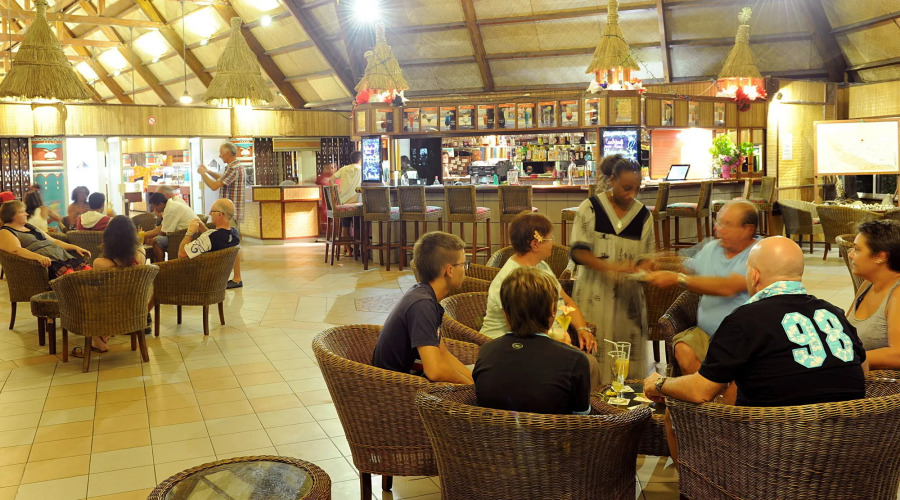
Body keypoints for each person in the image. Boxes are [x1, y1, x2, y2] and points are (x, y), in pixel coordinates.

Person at [644, 237, 867, 460]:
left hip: (769, 455)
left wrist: (660, 383)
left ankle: (698, 479)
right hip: (848, 452)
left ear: (754, 275)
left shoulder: (744, 320)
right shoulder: (835, 313)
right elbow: (863, 371)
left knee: (673, 413)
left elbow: (700, 391)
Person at [480, 213, 602, 388]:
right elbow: (524, 330)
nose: (553, 242)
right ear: (535, 244)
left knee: (586, 361)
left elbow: (566, 302)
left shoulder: (541, 266)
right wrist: (560, 344)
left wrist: (582, 329)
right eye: (550, 239)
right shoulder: (514, 279)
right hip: (512, 348)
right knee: (586, 363)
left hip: (542, 341)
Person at [645, 200, 761, 375]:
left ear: (748, 229)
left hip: (743, 337)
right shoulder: (712, 248)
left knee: (738, 369)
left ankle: (714, 388)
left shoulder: (758, 254)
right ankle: (709, 389)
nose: (717, 229)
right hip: (706, 333)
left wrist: (679, 279)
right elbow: (687, 267)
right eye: (718, 222)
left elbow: (728, 287)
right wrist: (659, 263)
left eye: (726, 224)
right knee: (683, 350)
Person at [570, 154, 654, 381]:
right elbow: (578, 252)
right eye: (626, 188)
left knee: (628, 360)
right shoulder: (590, 208)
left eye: (637, 189)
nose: (632, 194)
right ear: (612, 180)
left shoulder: (643, 215)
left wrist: (643, 268)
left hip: (628, 300)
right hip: (594, 293)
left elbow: (646, 256)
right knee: (595, 353)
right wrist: (610, 268)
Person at [474, 266, 591, 415]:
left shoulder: (486, 352)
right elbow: (582, 418)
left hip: (489, 430)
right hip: (554, 431)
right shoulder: (575, 360)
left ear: (505, 313)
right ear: (553, 310)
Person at [372, 231, 473, 384]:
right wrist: (471, 388)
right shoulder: (422, 305)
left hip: (409, 382)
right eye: (463, 264)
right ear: (450, 270)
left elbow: (443, 355)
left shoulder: (423, 294)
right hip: (397, 389)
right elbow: (435, 371)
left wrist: (475, 382)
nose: (465, 269)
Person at [91, 215, 150, 352]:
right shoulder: (141, 254)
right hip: (135, 307)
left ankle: (98, 340)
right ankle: (103, 336)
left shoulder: (100, 263)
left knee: (88, 299)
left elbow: (97, 290)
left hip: (110, 311)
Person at [846, 219, 900, 368]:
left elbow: (897, 355)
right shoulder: (868, 284)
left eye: (857, 250)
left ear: (880, 257)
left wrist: (843, 359)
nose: (851, 255)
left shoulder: (897, 294)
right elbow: (845, 329)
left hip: (879, 381)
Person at [0, 200, 91, 278]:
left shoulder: (29, 226)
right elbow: (16, 250)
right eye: (22, 212)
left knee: (89, 273)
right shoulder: (5, 231)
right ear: (11, 215)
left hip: (62, 256)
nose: (26, 214)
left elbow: (54, 241)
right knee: (74, 279)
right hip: (49, 264)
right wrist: (39, 257)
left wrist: (75, 247)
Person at [196, 142, 244, 289]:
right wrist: (208, 171)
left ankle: (237, 278)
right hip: (232, 212)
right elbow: (222, 178)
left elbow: (214, 185)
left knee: (233, 245)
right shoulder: (234, 167)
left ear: (228, 153)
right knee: (231, 244)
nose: (220, 155)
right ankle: (233, 276)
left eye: (221, 153)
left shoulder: (234, 168)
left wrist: (203, 173)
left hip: (230, 214)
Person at [144, 192, 197, 262]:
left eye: (154, 207)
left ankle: (161, 266)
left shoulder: (170, 210)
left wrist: (147, 236)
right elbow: (163, 227)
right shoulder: (172, 205)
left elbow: (164, 232)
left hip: (185, 237)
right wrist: (147, 235)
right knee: (155, 239)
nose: (154, 210)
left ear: (161, 205)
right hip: (189, 234)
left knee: (156, 241)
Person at [329, 151, 362, 257]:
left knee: (345, 225)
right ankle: (358, 248)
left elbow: (331, 179)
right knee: (359, 224)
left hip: (343, 203)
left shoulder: (343, 169)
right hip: (357, 203)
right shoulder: (362, 169)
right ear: (360, 160)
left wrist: (334, 192)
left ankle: (348, 250)